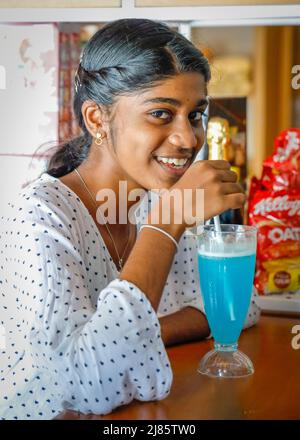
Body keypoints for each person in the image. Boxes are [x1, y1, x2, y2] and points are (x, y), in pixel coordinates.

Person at [0, 18, 260, 420]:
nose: (189, 139)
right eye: (161, 113)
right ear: (97, 119)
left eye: (195, 114)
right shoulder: (38, 216)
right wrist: (168, 222)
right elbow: (84, 385)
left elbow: (238, 306)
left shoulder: (157, 198)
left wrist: (138, 333)